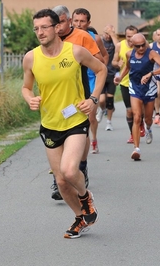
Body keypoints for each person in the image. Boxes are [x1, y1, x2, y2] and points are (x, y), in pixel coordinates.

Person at [22, 9, 106, 238]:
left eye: (44, 27)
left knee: (70, 170)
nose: (40, 32)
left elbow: (101, 70)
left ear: (57, 27)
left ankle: (85, 196)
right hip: (49, 123)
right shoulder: (31, 57)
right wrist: (30, 98)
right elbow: (26, 87)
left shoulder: (76, 52)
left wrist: (94, 98)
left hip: (75, 120)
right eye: (36, 28)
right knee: (60, 180)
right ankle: (80, 217)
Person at [49, 5, 104, 200]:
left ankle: (81, 166)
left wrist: (94, 96)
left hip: (80, 94)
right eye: (54, 23)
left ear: (69, 21)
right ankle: (59, 179)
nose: (57, 27)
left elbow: (99, 63)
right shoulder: (49, 37)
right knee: (57, 134)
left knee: (78, 132)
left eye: (61, 22)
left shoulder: (82, 37)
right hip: (55, 99)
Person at [114, 33, 160, 160]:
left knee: (148, 119)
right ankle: (136, 148)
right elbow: (128, 67)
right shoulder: (129, 54)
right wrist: (120, 77)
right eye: (138, 46)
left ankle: (149, 128)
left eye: (143, 45)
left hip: (149, 88)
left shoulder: (151, 53)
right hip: (135, 87)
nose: (141, 48)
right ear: (132, 45)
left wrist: (151, 73)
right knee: (137, 117)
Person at [71, 7, 108, 153]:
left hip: (91, 79)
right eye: (76, 21)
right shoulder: (65, 38)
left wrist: (99, 68)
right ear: (71, 21)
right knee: (74, 114)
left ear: (88, 23)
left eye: (82, 21)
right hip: (74, 80)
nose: (78, 24)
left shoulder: (95, 38)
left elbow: (104, 56)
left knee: (91, 116)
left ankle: (93, 139)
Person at [112, 25, 140, 143]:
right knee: (129, 110)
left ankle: (140, 124)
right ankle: (132, 134)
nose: (130, 39)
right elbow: (113, 61)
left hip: (139, 82)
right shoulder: (119, 46)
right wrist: (117, 63)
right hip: (125, 82)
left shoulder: (142, 46)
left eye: (133, 36)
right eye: (128, 36)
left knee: (139, 111)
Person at [97, 24, 120, 131]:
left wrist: (112, 34)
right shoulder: (100, 41)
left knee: (109, 99)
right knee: (101, 100)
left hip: (112, 73)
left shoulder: (115, 42)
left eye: (110, 34)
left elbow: (118, 46)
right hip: (101, 73)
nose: (108, 36)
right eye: (106, 33)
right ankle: (102, 109)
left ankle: (109, 122)